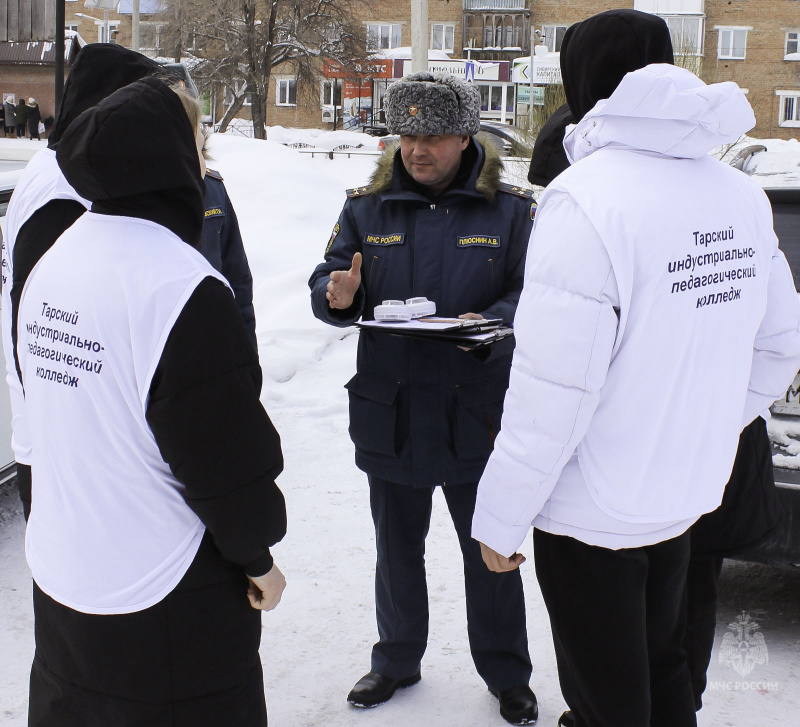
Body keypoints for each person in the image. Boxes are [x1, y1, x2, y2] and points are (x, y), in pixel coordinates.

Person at [471, 9, 800, 727]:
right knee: (667, 666)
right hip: (683, 492)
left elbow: (553, 393)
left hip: (592, 510)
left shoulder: (587, 200)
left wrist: (500, 516)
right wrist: (700, 423)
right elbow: (781, 345)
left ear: (581, 83)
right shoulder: (738, 195)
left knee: (607, 697)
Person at [16, 75, 288, 726]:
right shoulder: (178, 284)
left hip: (64, 579)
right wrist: (258, 557)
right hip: (164, 592)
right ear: (168, 154)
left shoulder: (53, 260)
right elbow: (225, 460)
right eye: (196, 140)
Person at [309, 72, 537, 725]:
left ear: (466, 136)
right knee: (395, 547)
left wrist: (491, 322)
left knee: (488, 548)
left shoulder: (511, 210)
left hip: (477, 411)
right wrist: (337, 295)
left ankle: (506, 672)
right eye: (407, 134)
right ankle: (395, 659)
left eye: (432, 135)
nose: (417, 149)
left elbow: (534, 292)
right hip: (396, 408)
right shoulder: (365, 206)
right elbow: (329, 277)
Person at [2, 44, 165, 522]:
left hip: (56, 430)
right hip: (63, 444)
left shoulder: (53, 168)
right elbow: (46, 318)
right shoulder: (65, 190)